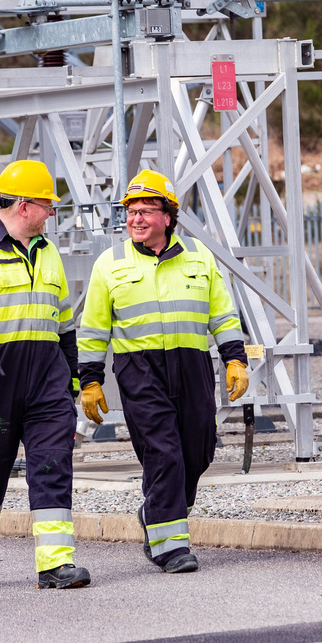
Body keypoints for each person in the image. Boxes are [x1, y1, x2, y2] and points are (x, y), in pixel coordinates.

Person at [77, 169, 250, 573]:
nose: (136, 219)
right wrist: (90, 380)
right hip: (140, 369)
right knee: (164, 454)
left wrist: (235, 359)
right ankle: (170, 547)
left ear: (168, 216)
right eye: (131, 212)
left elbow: (222, 315)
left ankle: (157, 508)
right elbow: (93, 328)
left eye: (145, 211)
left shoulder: (198, 256)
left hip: (192, 366)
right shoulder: (110, 264)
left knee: (198, 450)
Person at [0, 159, 90, 590]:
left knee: (52, 465)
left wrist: (74, 378)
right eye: (47, 206)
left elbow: (64, 324)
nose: (51, 214)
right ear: (24, 207)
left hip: (46, 383)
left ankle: (55, 564)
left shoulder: (49, 254)